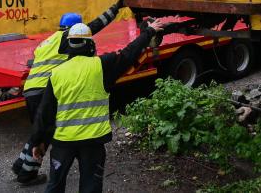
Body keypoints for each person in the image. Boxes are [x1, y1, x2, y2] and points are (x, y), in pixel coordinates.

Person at [29, 17, 172, 193]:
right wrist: (148, 32)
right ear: (90, 44)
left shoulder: (56, 73)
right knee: (91, 187)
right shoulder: (102, 65)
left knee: (55, 186)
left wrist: (39, 141)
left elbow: (45, 113)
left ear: (67, 45)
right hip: (93, 143)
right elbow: (129, 53)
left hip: (63, 143)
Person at [12, 0, 126, 186]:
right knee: (47, 134)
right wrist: (116, 8)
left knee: (38, 131)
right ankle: (26, 174)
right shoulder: (67, 38)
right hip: (44, 89)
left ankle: (20, 164)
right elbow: (98, 24)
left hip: (31, 89)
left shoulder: (49, 41)